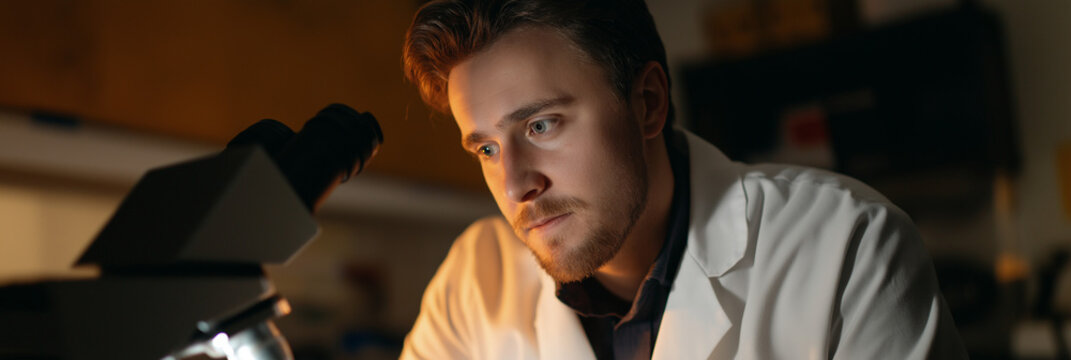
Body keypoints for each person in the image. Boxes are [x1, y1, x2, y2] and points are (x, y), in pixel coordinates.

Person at [399, 0, 967, 359]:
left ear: (647, 102)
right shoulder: (474, 281)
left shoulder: (847, 245)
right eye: (487, 148)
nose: (514, 185)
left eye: (541, 125)